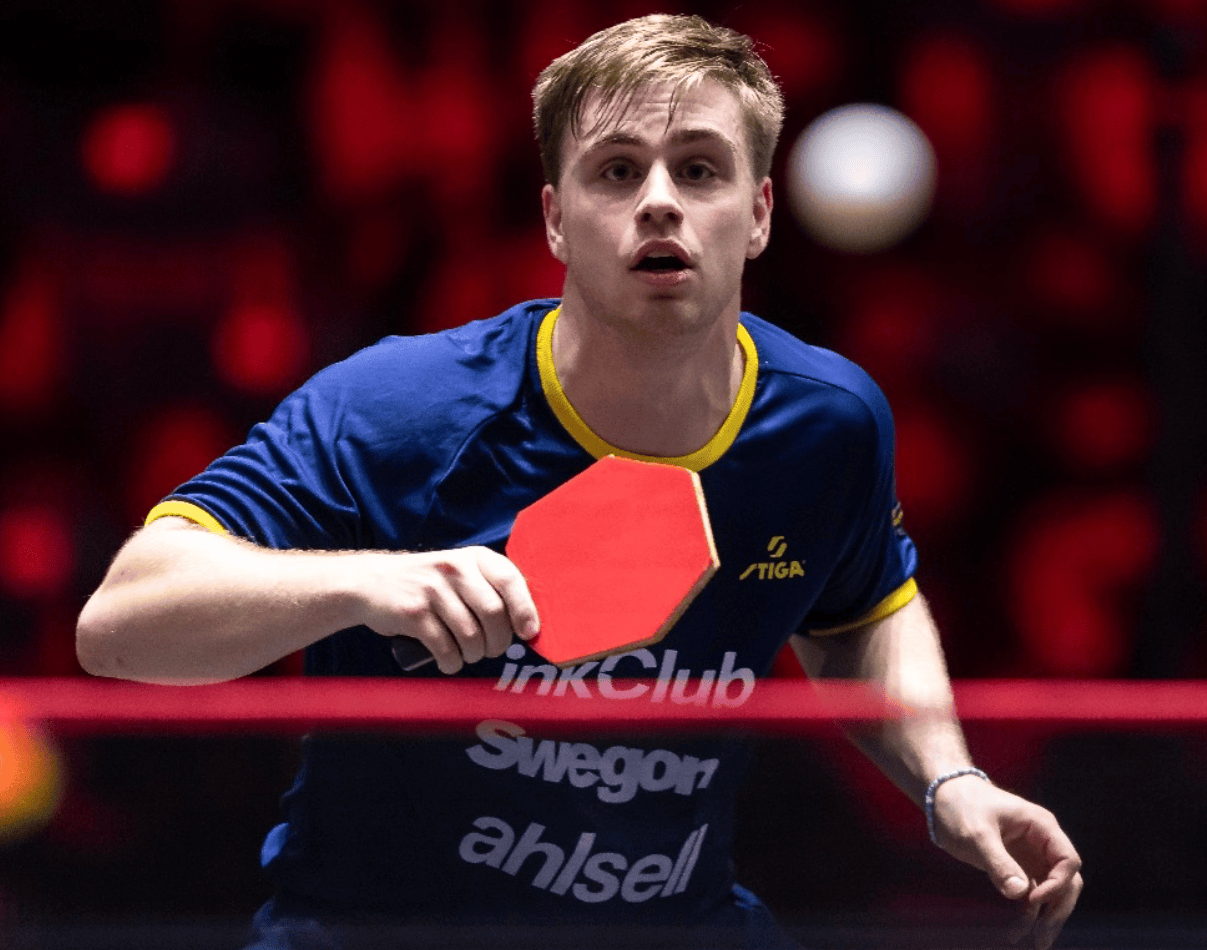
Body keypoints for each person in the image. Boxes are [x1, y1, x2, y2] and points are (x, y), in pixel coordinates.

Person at [76, 14, 1082, 950]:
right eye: (616, 170)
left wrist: (947, 778)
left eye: (699, 169)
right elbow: (119, 626)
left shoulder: (827, 424)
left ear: (759, 213)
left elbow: (860, 609)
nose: (659, 200)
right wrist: (362, 582)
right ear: (556, 220)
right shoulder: (400, 410)